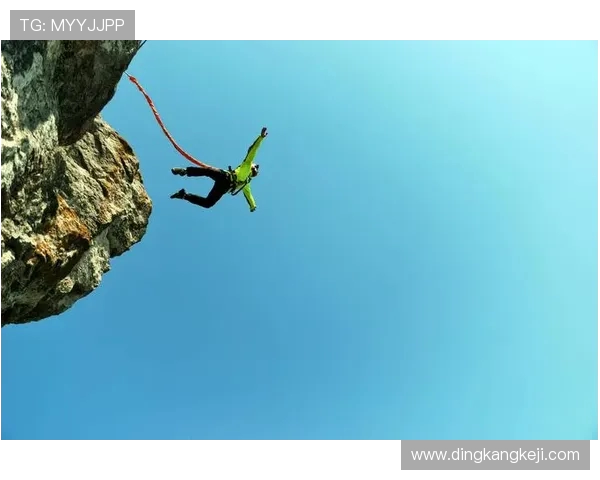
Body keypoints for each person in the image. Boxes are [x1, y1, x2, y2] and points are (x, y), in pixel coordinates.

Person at [169, 127, 268, 212]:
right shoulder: (246, 164)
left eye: (257, 169)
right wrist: (261, 137)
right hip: (225, 176)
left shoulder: (246, 183)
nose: (256, 169)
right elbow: (253, 150)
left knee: (208, 203)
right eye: (256, 166)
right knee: (208, 171)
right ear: (252, 165)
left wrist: (252, 205)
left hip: (224, 187)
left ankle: (184, 195)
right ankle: (184, 171)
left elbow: (248, 195)